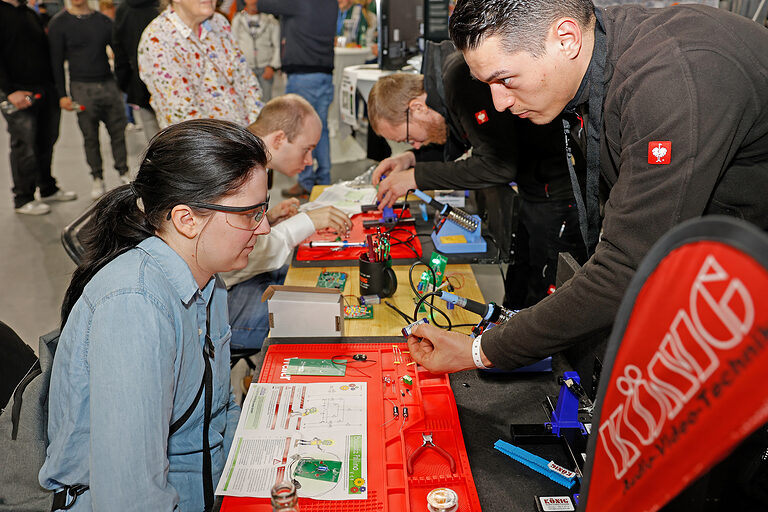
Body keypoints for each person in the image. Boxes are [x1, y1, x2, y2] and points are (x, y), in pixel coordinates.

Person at [406, 0, 768, 373]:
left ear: (566, 38)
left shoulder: (669, 81)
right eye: (488, 85)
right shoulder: (604, 56)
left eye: (505, 79)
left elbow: (628, 267)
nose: (499, 103)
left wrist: (480, 351)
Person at [39, 119, 269, 511]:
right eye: (250, 214)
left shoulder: (209, 283)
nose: (263, 228)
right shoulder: (135, 307)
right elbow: (130, 500)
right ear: (186, 219)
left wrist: (260, 472)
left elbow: (220, 411)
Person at [369, 43, 587, 308]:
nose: (414, 144)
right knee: (518, 291)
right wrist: (411, 159)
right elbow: (462, 140)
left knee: (546, 299)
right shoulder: (443, 88)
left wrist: (417, 177)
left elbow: (497, 165)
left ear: (416, 108)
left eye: (407, 138)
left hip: (559, 191)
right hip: (533, 189)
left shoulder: (460, 81)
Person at [221, 94, 352, 350]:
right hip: (214, 302)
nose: (309, 161)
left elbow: (232, 229)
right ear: (279, 139)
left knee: (309, 283)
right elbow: (237, 255)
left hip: (230, 281)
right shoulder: (235, 172)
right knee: (326, 320)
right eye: (307, 149)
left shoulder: (247, 157)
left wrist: (269, 217)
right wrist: (306, 221)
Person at [0, 0, 77, 215]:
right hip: (17, 93)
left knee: (47, 139)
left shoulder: (29, 13)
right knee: (25, 145)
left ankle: (47, 187)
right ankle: (23, 197)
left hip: (44, 88)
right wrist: (8, 92)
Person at [48, 0, 130, 200]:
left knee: (118, 133)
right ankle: (97, 178)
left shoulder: (103, 21)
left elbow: (119, 52)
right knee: (90, 136)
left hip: (108, 84)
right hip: (80, 87)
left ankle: (123, 173)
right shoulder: (59, 23)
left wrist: (122, 82)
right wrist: (62, 95)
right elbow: (56, 62)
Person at [138, 0, 264, 129]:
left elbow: (247, 80)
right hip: (208, 145)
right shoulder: (158, 39)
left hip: (246, 135)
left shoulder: (219, 22)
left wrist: (255, 129)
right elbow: (182, 115)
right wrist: (233, 144)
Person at [259, 0, 338, 199]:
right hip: (325, 74)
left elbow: (259, 3)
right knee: (321, 129)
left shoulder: (299, 2)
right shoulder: (332, 3)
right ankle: (324, 180)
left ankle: (305, 182)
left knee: (300, 132)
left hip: (303, 75)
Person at [112, 0, 161, 144]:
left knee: (154, 142)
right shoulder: (162, 8)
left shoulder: (123, 10)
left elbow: (118, 49)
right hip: (174, 83)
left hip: (139, 82)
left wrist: (126, 83)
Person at [231, 0, 280, 101]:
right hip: (245, 68)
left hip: (265, 69)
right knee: (246, 101)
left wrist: (272, 66)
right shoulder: (238, 19)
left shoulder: (270, 20)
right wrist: (237, 67)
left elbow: (277, 45)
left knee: (266, 102)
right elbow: (232, 45)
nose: (253, 1)